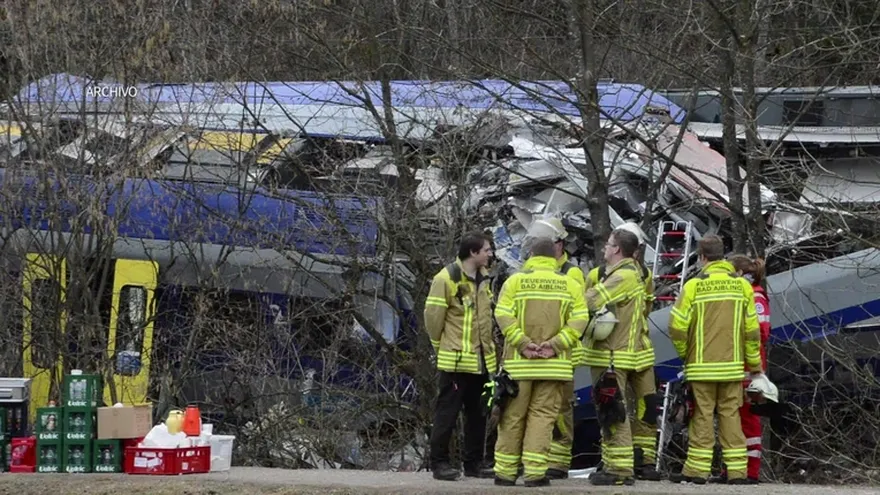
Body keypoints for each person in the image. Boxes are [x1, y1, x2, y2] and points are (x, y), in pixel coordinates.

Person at [492, 237, 589, 487]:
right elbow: (580, 319)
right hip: (553, 366)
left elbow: (502, 314)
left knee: (512, 417)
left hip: (518, 366)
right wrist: (555, 344)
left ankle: (505, 472)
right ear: (554, 257)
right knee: (542, 418)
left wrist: (523, 343)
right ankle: (535, 473)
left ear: (531, 256)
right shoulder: (569, 284)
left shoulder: (515, 282)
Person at [668, 235, 763, 485]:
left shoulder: (694, 286)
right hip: (732, 368)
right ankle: (737, 472)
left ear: (701, 257)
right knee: (731, 416)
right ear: (724, 256)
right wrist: (754, 365)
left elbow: (677, 327)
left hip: (702, 367)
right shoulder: (741, 286)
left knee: (702, 416)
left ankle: (697, 471)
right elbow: (752, 331)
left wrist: (684, 353)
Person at [584, 222, 661, 481]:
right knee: (623, 410)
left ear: (617, 249)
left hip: (614, 354)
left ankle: (619, 469)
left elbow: (591, 300)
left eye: (608, 244)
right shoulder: (628, 273)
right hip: (626, 351)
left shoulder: (626, 275)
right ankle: (628, 463)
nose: (604, 248)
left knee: (613, 411)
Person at [424, 231, 498, 481]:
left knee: (478, 414)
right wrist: (441, 346)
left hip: (482, 361)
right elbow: (433, 319)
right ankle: (440, 463)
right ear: (473, 253)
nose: (490, 254)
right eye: (486, 250)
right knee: (447, 414)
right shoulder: (446, 278)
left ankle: (474, 463)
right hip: (455, 360)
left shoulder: (484, 279)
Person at [525, 217, 586, 480]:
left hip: (562, 352)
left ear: (559, 245)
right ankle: (535, 458)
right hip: (533, 352)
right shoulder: (530, 272)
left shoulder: (571, 273)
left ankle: (558, 461)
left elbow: (579, 314)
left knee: (560, 408)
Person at [726, 254, 772, 484]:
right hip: (736, 366)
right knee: (731, 419)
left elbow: (762, 332)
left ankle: (751, 471)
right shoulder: (743, 295)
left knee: (749, 420)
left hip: (749, 369)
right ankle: (732, 469)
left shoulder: (755, 298)